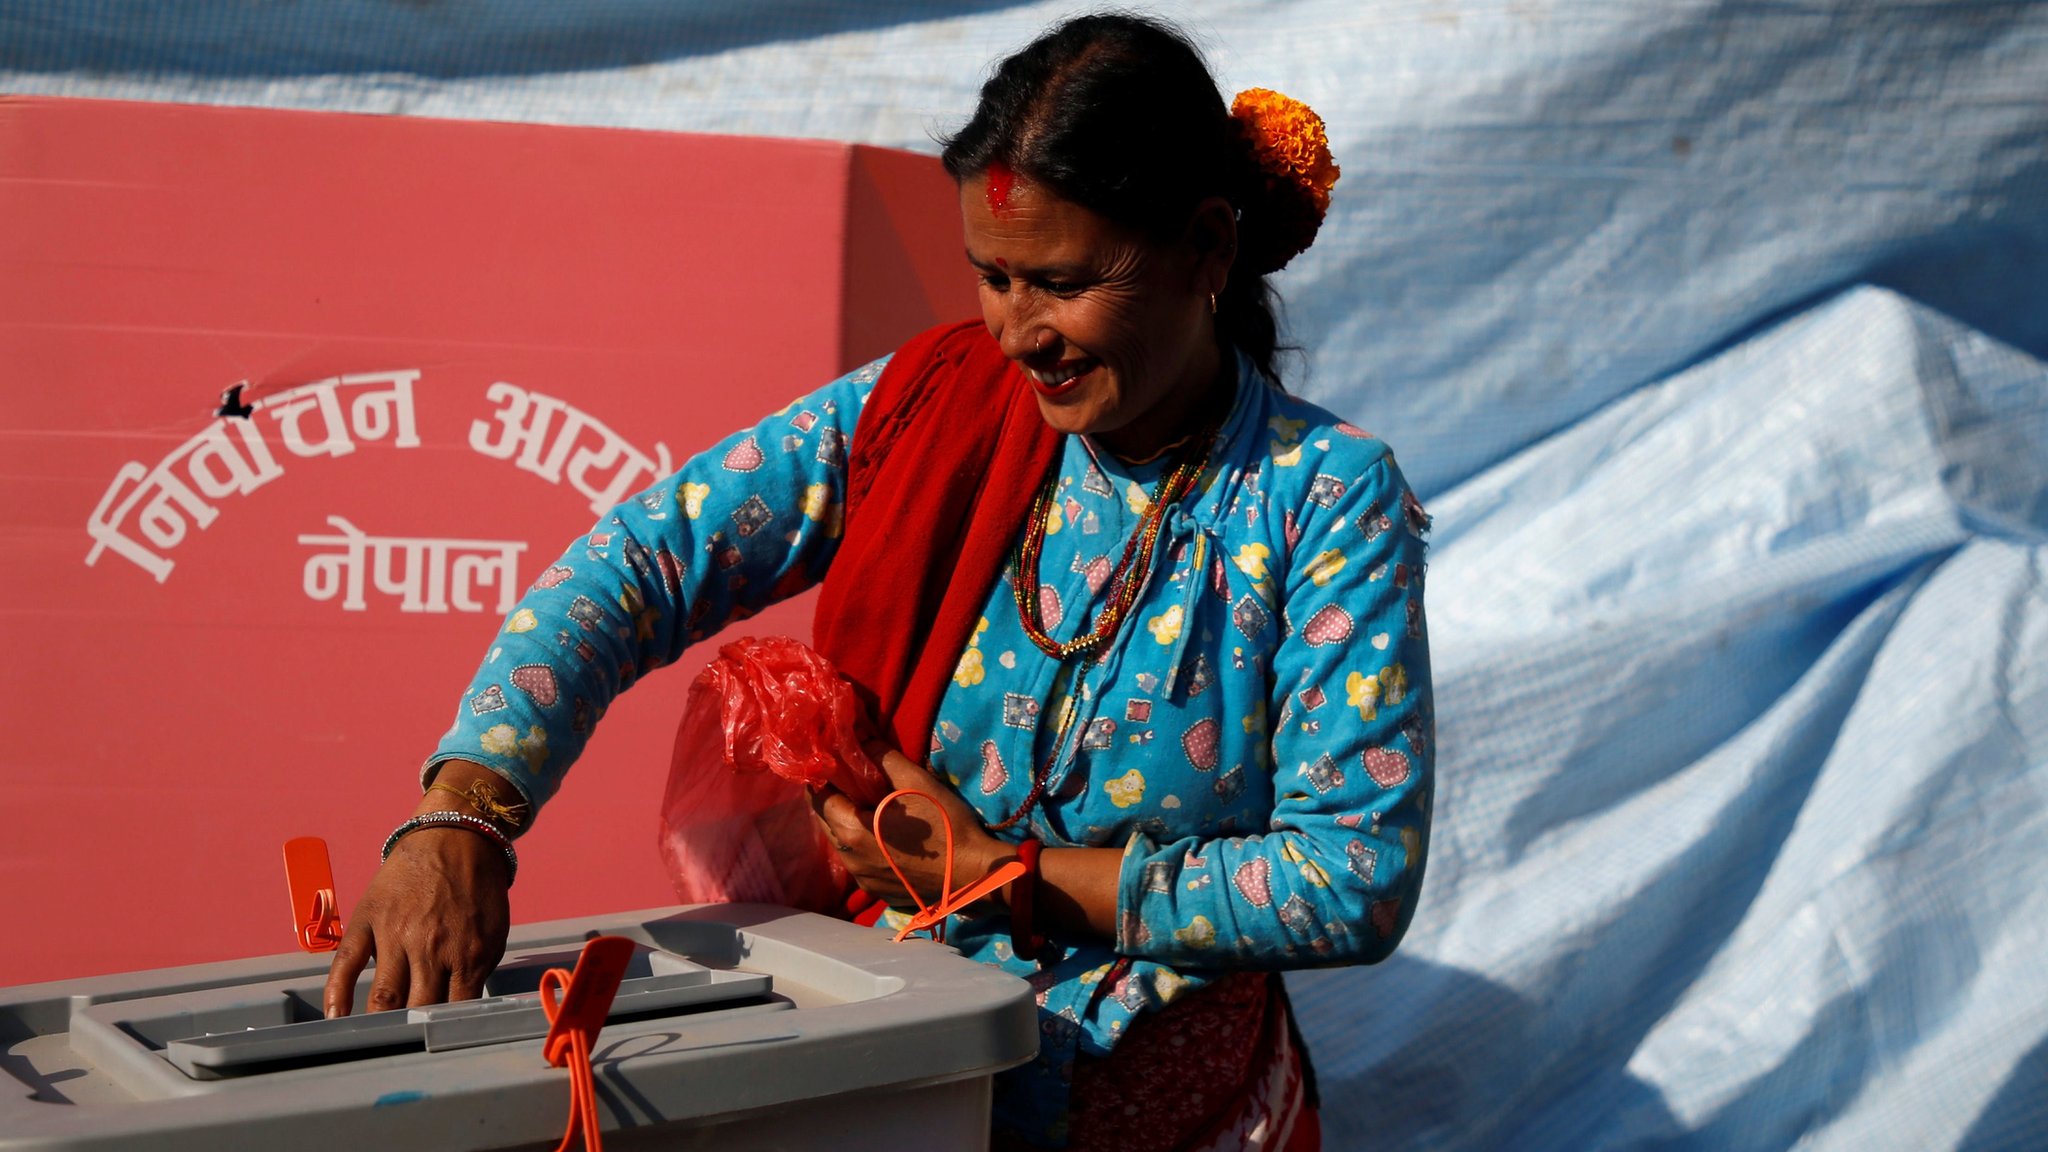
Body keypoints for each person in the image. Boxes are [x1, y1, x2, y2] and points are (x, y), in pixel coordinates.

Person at [325, 13, 1432, 1150]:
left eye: (1059, 282)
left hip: (1169, 1117)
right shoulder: (921, 408)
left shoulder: (1323, 498)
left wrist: (1008, 880)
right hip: (892, 1088)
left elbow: (1352, 876)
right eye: (990, 278)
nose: (1014, 333)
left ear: (1206, 247)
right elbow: (638, 564)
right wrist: (460, 819)